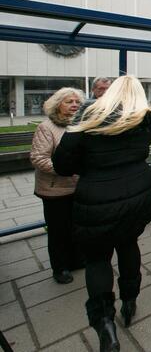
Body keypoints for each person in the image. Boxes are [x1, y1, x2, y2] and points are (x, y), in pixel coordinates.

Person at [52, 75, 151, 351]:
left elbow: (62, 163)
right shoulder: (145, 119)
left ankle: (105, 325)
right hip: (136, 195)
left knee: (98, 259)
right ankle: (130, 300)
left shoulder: (89, 117)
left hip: (97, 198)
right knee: (128, 245)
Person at [30, 87, 84, 284]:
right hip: (55, 189)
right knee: (58, 230)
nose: (74, 105)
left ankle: (76, 260)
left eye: (77, 102)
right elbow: (38, 158)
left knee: (75, 227)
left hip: (77, 187)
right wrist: (65, 169)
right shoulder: (46, 127)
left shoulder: (79, 125)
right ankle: (60, 267)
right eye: (69, 102)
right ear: (57, 104)